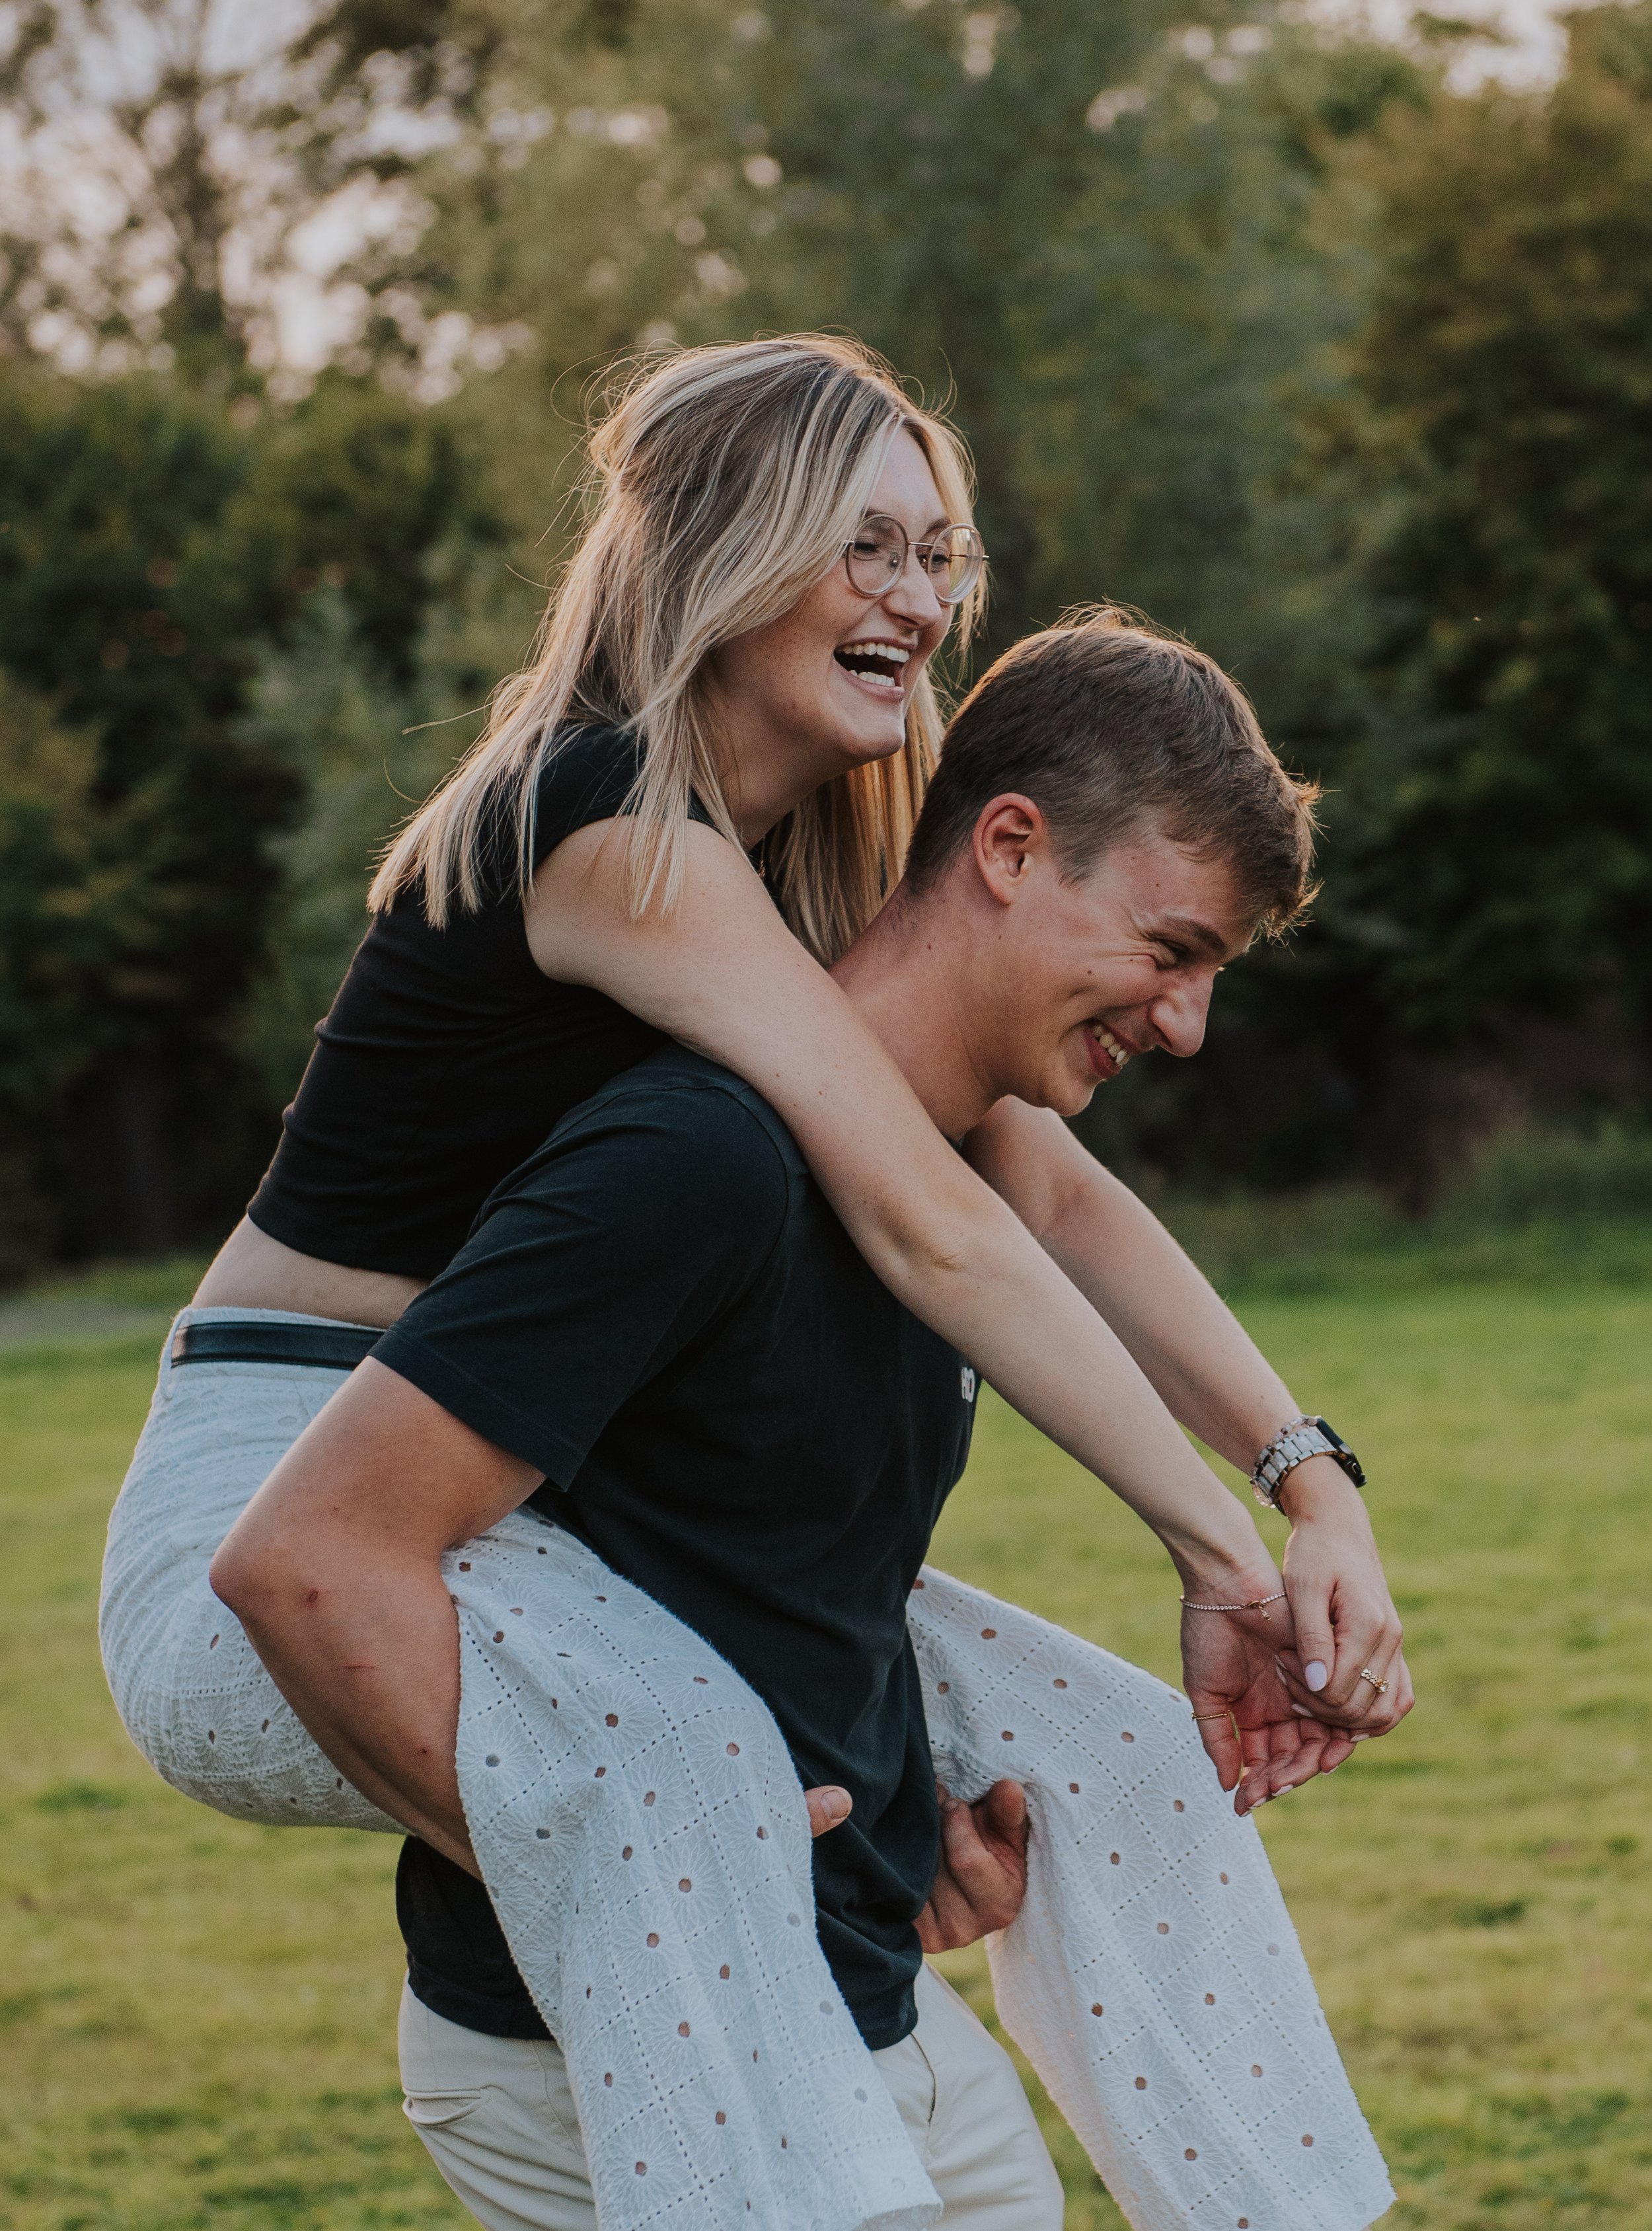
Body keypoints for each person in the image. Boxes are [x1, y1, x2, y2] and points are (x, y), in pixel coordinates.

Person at [212, 613, 1413, 2231]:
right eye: (1170, 950)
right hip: (612, 2040)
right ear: (1005, 845)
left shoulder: (954, 1179)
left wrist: (1306, 1497)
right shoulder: (692, 1159)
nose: (1184, 1024)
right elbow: (305, 1558)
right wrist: (628, 1860)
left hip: (871, 2005)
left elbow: (765, 1579)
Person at [170, 334, 1401, 1761]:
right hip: (279, 1500)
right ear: (723, 550)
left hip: (475, 1499)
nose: (921, 600)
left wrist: (1309, 1484)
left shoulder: (783, 872)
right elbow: (934, 1225)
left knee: (1074, 1763)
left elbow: (1046, 1195)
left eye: (940, 555)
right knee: (838, 1765)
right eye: (866, 545)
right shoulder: (609, 823)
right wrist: (1218, 1559)